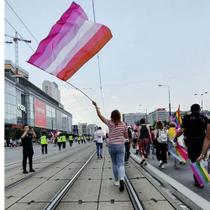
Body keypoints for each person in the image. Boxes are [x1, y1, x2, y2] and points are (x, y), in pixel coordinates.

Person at [92, 101, 128, 192]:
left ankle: (116, 181)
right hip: (121, 146)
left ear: (112, 116)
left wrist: (96, 106)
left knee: (114, 163)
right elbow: (126, 136)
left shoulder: (109, 123)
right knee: (121, 164)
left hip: (112, 146)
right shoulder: (124, 124)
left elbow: (100, 116)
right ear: (119, 116)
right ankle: (122, 179)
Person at [179, 104, 208, 188]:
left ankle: (198, 180)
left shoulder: (186, 118)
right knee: (200, 159)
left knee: (194, 161)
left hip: (191, 142)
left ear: (191, 110)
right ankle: (199, 179)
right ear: (199, 109)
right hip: (202, 143)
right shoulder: (204, 118)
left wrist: (175, 137)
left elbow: (182, 130)